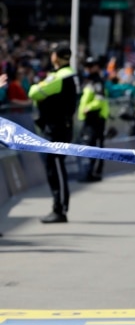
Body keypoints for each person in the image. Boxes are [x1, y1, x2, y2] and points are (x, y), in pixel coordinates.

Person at [27, 42, 80, 224]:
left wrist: (37, 85)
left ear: (55, 57)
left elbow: (34, 92)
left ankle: (60, 209)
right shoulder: (68, 74)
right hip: (59, 127)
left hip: (56, 129)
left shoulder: (59, 76)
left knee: (56, 168)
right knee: (54, 167)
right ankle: (58, 207)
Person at [77, 56, 109, 183]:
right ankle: (90, 172)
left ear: (96, 67)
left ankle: (94, 173)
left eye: (90, 66)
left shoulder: (96, 81)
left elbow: (99, 99)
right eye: (87, 66)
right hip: (90, 118)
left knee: (94, 146)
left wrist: (88, 108)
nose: (88, 69)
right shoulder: (90, 80)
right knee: (90, 145)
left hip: (96, 117)